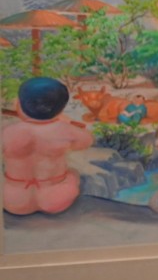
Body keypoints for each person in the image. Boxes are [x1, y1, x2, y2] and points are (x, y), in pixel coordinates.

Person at [3, 77, 93, 215]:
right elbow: (87, 141)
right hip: (55, 199)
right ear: (61, 109)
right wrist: (66, 123)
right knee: (73, 174)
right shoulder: (65, 130)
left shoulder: (8, 132)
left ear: (18, 104)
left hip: (13, 201)